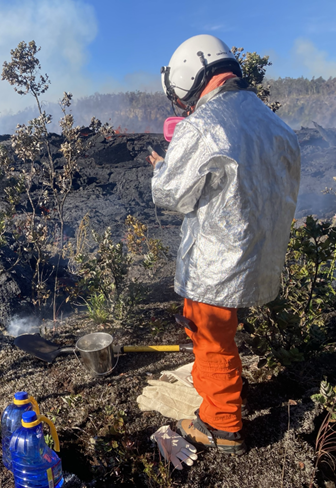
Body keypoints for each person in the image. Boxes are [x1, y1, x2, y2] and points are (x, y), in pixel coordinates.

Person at [147, 34, 301, 455]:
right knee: (224, 334)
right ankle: (229, 389)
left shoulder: (204, 124)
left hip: (217, 261)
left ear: (189, 76)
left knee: (211, 336)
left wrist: (163, 168)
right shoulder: (275, 124)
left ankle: (221, 423)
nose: (186, 105)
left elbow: (171, 196)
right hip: (262, 256)